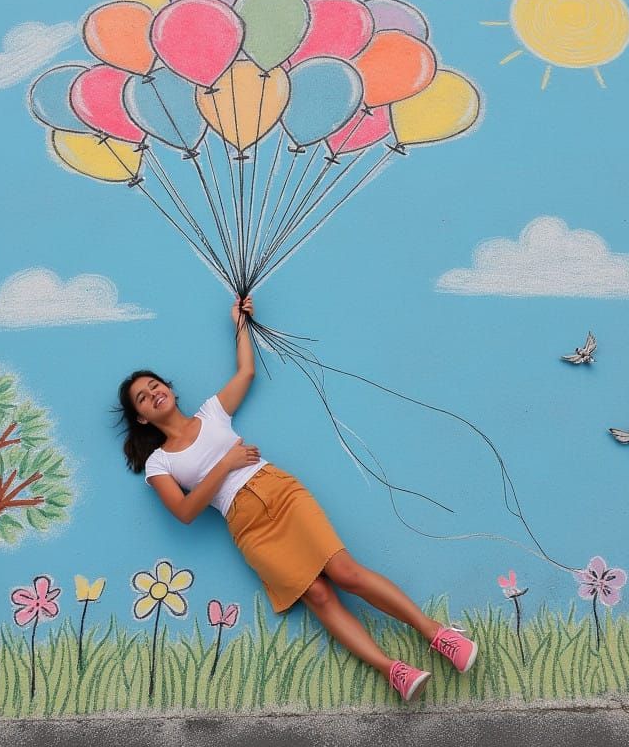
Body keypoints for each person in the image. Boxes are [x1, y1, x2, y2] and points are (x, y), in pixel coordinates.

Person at [116, 294, 479, 702]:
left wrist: (239, 321)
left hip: (279, 491)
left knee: (344, 573)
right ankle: (393, 671)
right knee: (319, 595)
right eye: (143, 398)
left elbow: (247, 371)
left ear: (170, 389)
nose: (153, 394)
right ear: (142, 417)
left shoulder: (211, 413)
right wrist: (226, 463)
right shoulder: (159, 463)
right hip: (247, 525)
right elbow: (184, 512)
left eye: (155, 385)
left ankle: (438, 635)